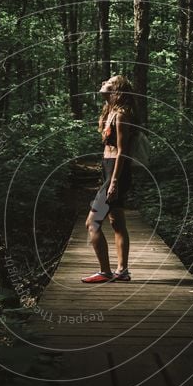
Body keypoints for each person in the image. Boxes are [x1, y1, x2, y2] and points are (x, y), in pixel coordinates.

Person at [82, 74, 138, 283]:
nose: (103, 82)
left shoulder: (122, 115)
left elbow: (123, 151)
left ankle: (105, 272)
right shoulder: (110, 112)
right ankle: (122, 271)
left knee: (92, 222)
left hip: (117, 170)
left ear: (117, 90)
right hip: (110, 169)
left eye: (109, 82)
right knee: (116, 222)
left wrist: (113, 181)